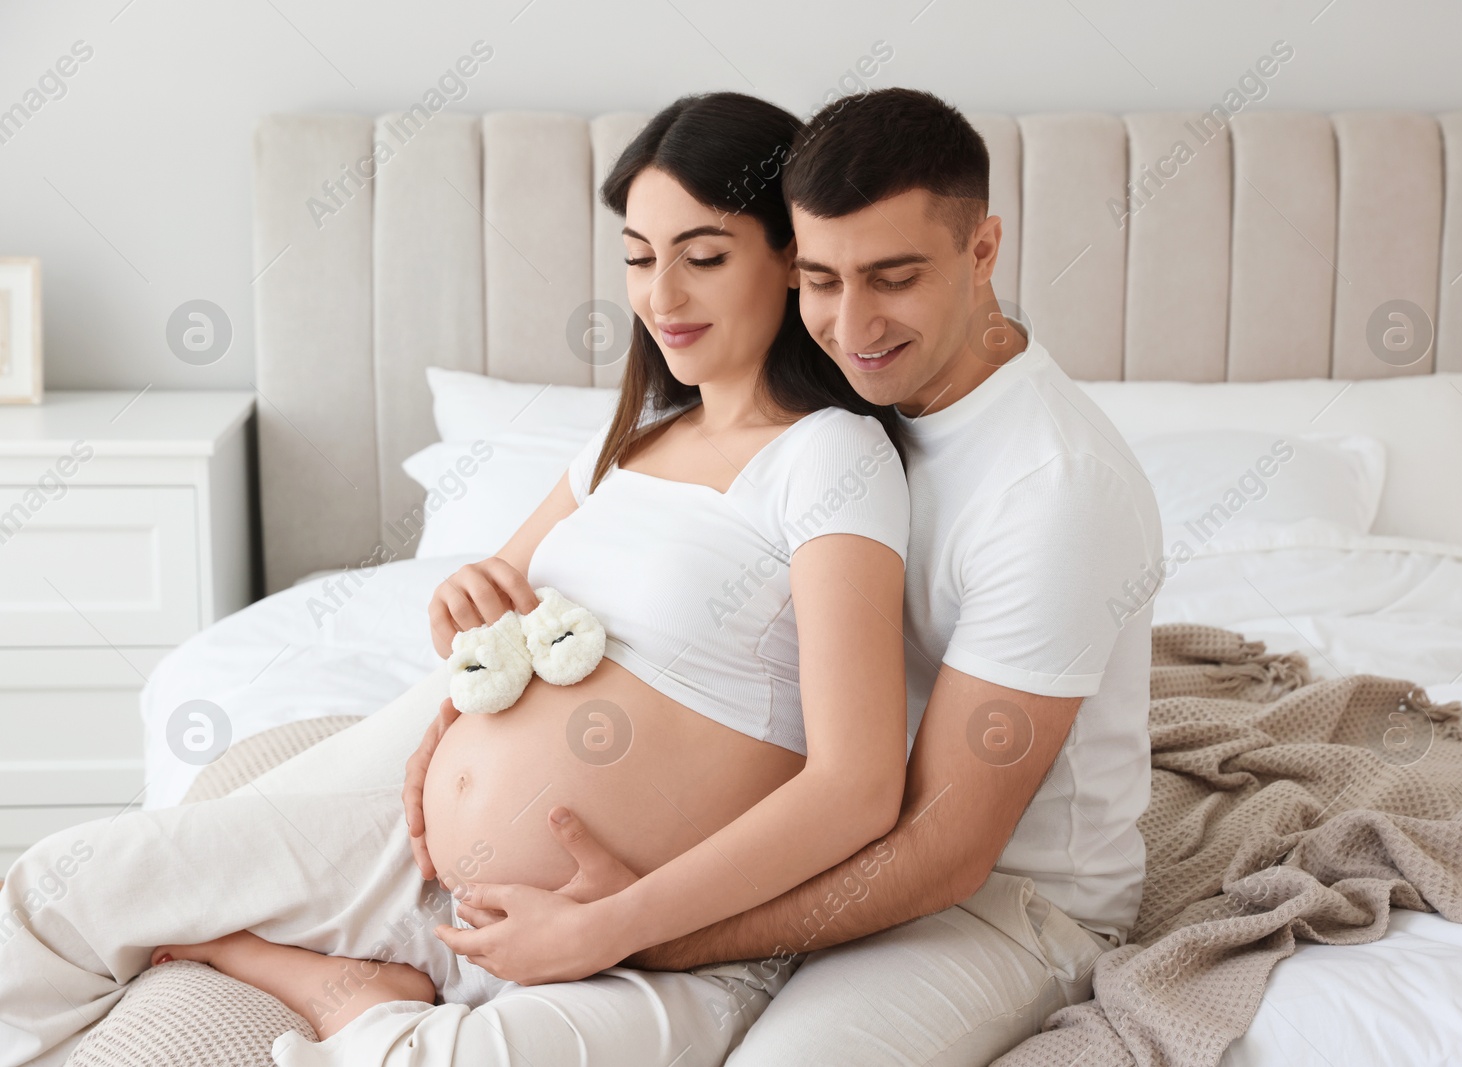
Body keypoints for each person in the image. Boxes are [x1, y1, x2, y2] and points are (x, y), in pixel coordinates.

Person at [0, 93, 912, 1067]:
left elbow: (856, 787)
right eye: (640, 258)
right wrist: (462, 602)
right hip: (405, 849)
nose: (662, 297)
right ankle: (353, 980)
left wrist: (612, 927)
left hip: (629, 933)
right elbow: (486, 591)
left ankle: (327, 987)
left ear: (791, 258)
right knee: (57, 884)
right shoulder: (629, 439)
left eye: (703, 255)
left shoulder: (827, 458)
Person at [404, 87, 1166, 1066]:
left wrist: (637, 930)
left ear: (983, 252)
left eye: (893, 277)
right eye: (819, 278)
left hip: (993, 898)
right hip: (815, 840)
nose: (851, 324)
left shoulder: (1052, 489)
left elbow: (946, 848)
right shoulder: (842, 420)